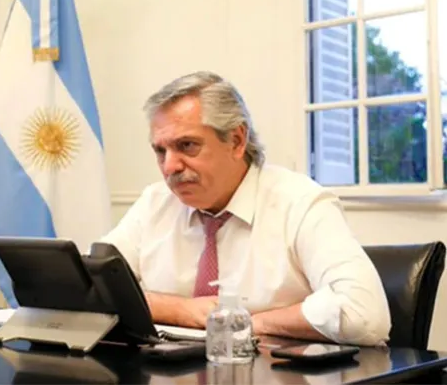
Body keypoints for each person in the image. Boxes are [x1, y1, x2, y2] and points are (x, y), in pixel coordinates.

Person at [100, 71, 391, 346]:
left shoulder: (300, 202)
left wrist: (246, 324)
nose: (170, 166)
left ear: (237, 141)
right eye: (160, 151)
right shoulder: (156, 202)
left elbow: (364, 313)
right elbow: (90, 288)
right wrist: (182, 310)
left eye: (187, 145)